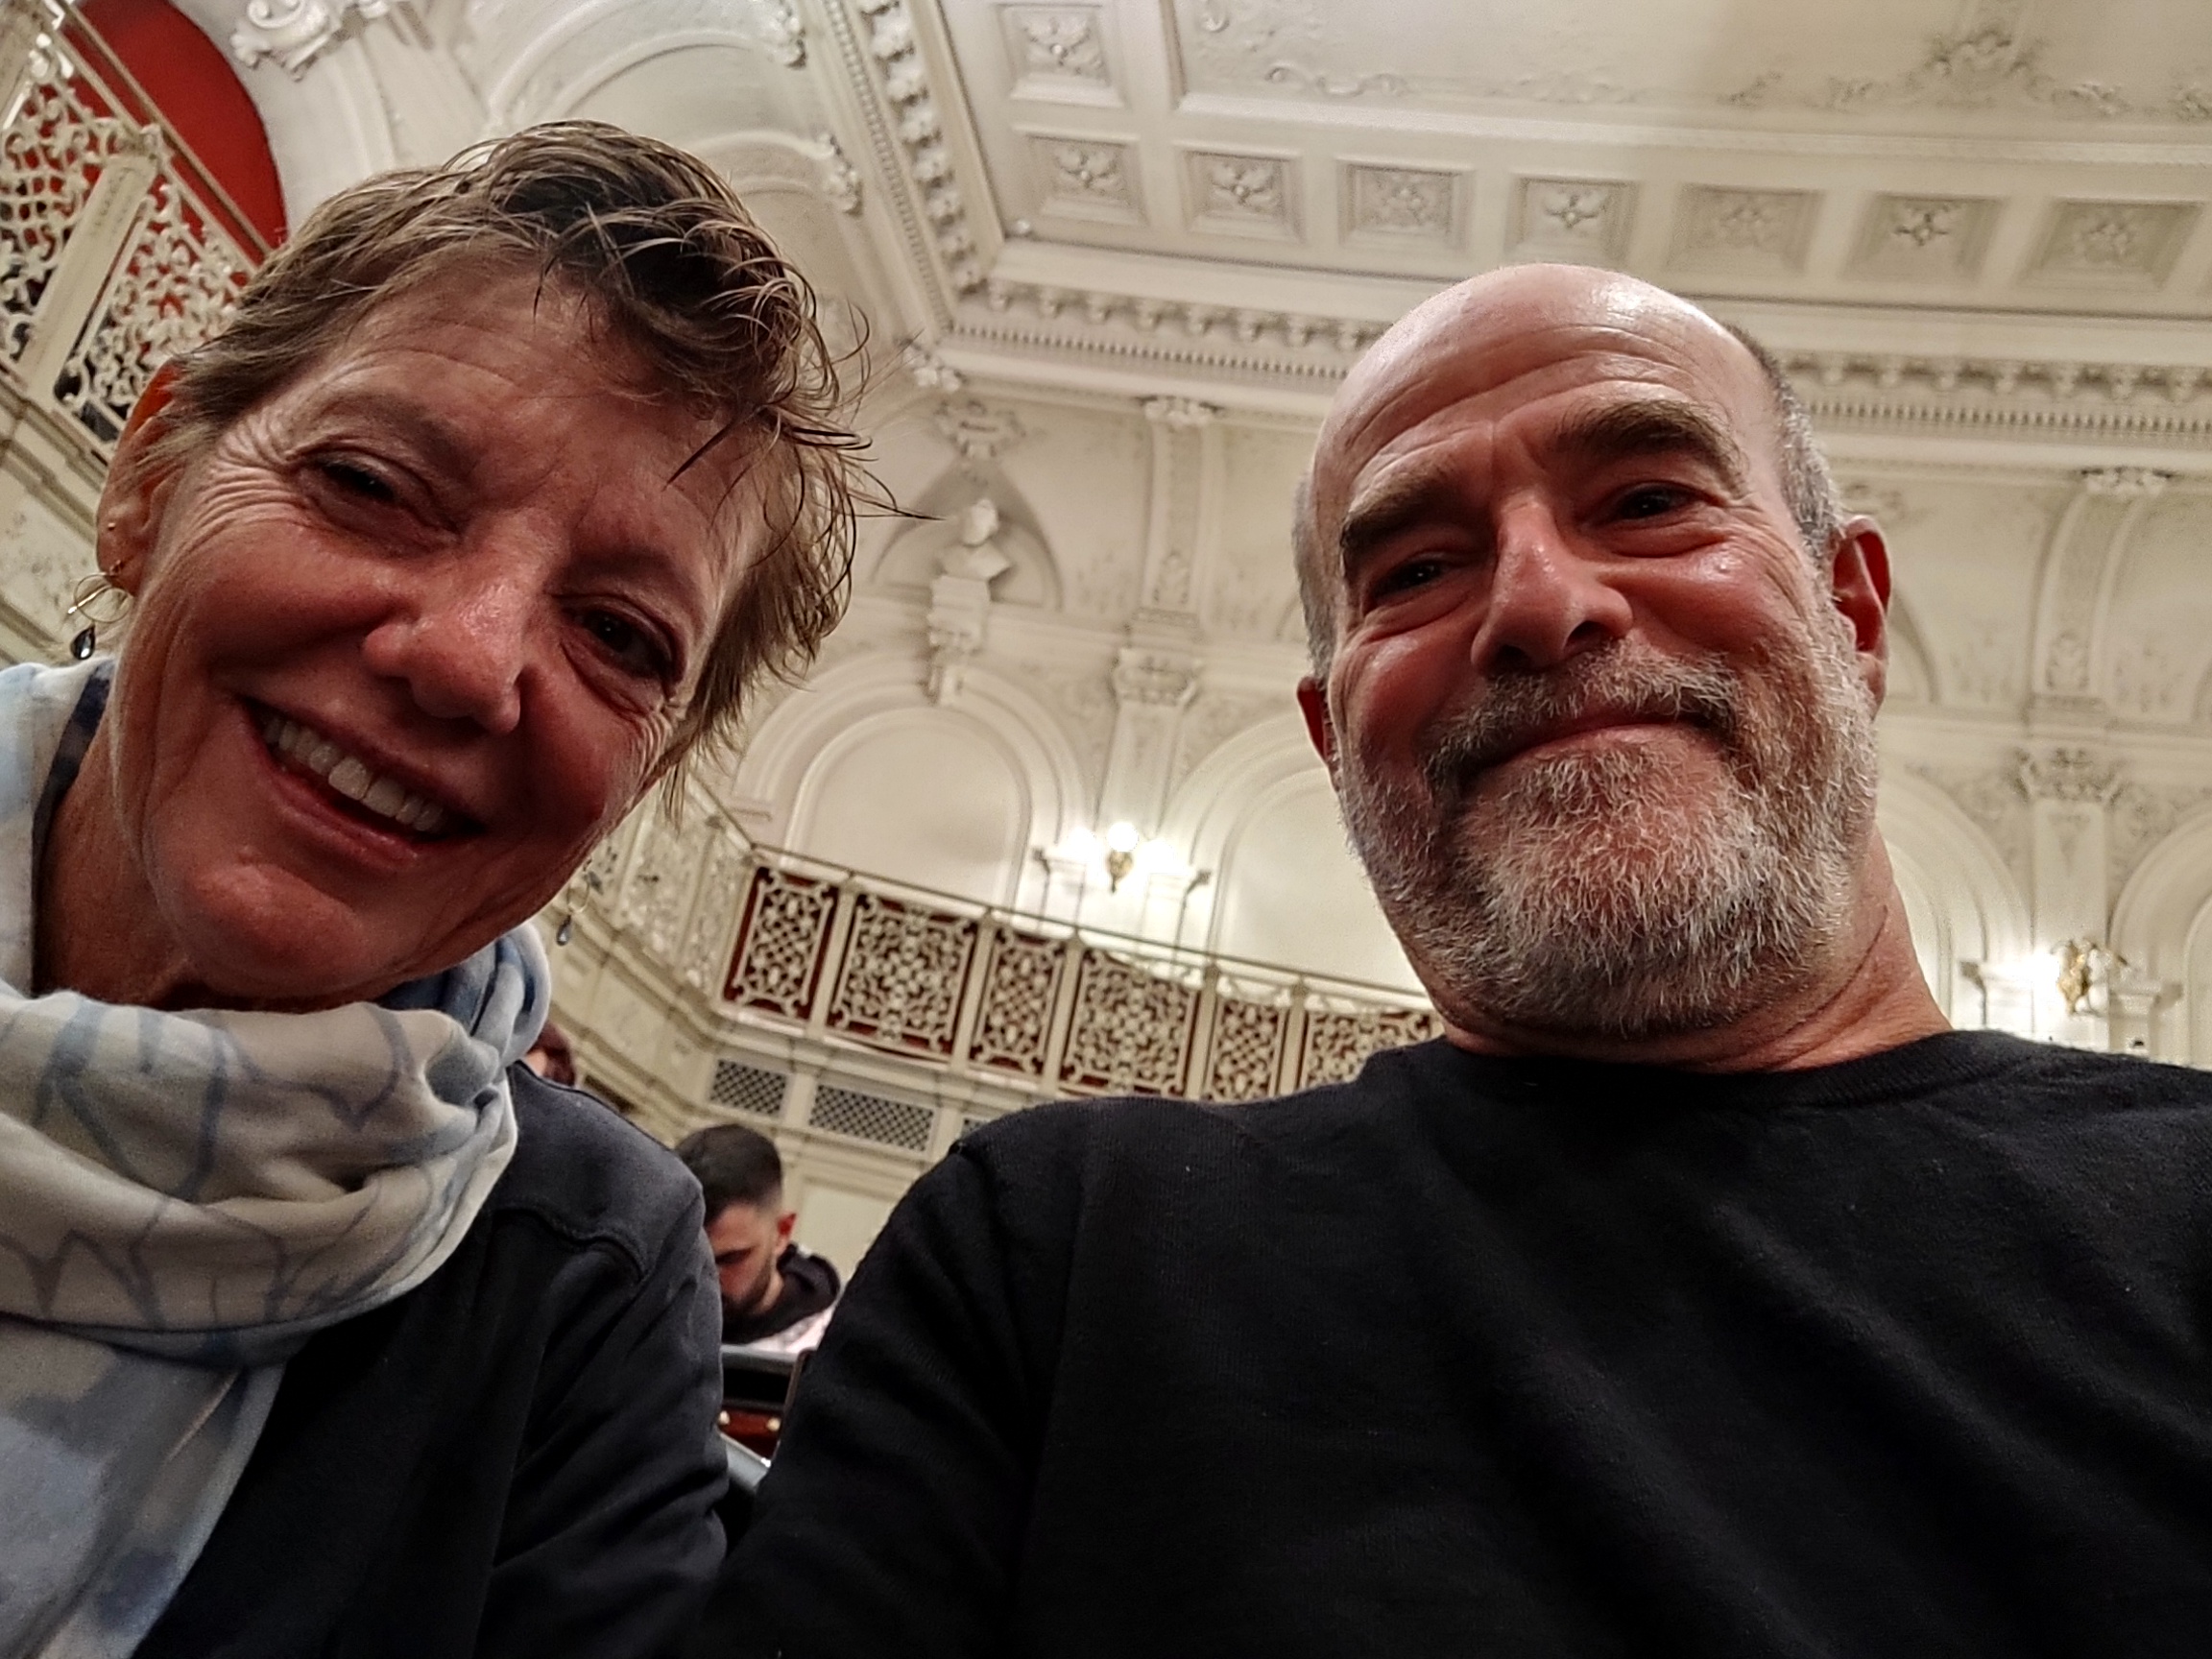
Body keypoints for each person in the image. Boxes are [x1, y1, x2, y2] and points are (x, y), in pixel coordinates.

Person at [725, 265, 2212, 1656]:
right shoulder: (1055, 1259)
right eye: (1419, 567)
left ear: (1854, 612)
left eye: (1648, 500)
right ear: (1332, 737)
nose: (1541, 605)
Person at [0, 121, 869, 1658]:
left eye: (619, 636)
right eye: (370, 484)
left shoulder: (584, 1274)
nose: (469, 660)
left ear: (644, 777)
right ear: (149, 482)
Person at [678, 1122, 842, 1354]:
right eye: (685, 1255)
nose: (704, 1278)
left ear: (781, 1233)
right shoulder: (641, 1317)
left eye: (730, 1258)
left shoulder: (834, 1349)